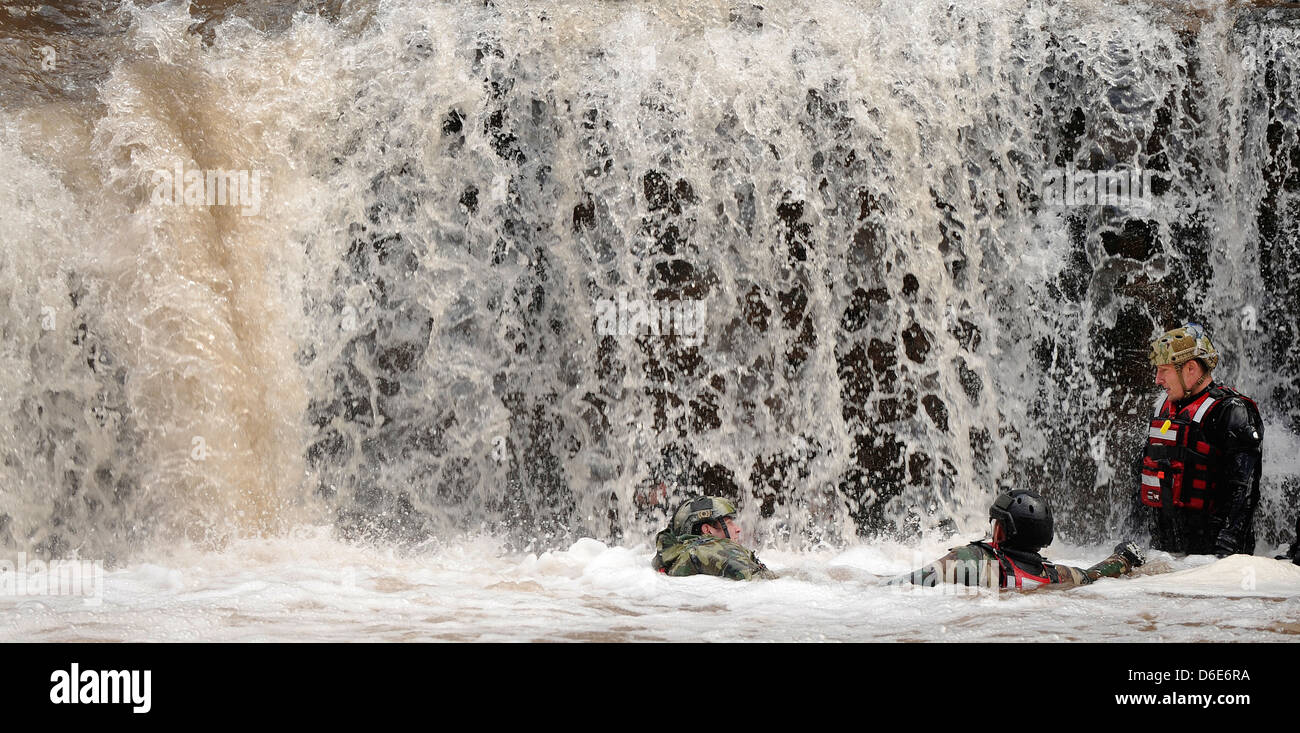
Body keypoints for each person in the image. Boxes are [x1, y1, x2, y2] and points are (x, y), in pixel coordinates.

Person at [1139, 323, 1264, 556]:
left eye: (1163, 370)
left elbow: (1245, 490)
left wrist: (1225, 553)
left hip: (1212, 560)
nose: (1157, 380)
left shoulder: (1233, 411)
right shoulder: (1161, 409)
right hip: (1165, 558)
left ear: (1191, 369)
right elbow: (1145, 474)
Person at [896, 489, 1145, 589]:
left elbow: (903, 586)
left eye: (997, 523)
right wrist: (1124, 557)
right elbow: (1095, 574)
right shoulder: (1055, 575)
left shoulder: (972, 561)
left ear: (1003, 531)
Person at [652, 496, 776, 580]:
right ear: (707, 530)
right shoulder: (714, 550)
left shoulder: (671, 554)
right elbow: (760, 581)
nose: (737, 529)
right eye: (729, 523)